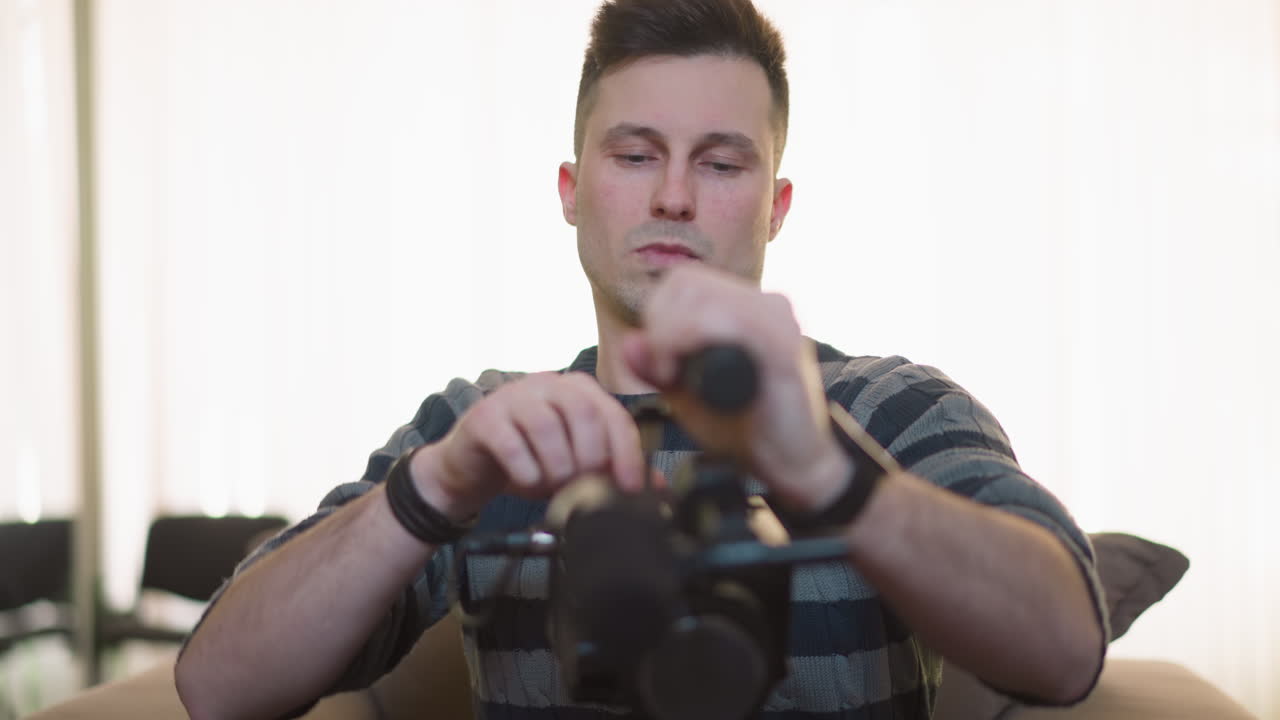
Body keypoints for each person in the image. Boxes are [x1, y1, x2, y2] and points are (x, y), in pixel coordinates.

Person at [174, 1, 1107, 718]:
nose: (671, 195)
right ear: (572, 193)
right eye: (634, 155)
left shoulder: (891, 408)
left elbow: (1065, 649)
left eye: (721, 163)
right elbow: (217, 690)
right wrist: (432, 490)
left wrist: (832, 476)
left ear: (776, 206)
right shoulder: (480, 431)